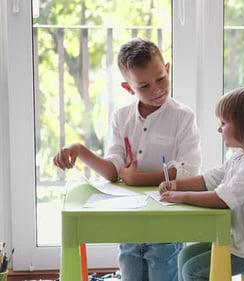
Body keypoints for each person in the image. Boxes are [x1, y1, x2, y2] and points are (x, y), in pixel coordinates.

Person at [53, 37, 201, 281]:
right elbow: (113, 170)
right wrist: (79, 150)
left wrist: (137, 179)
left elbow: (188, 172)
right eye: (144, 86)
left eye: (161, 79)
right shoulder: (121, 117)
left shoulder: (183, 117)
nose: (156, 89)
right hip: (129, 220)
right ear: (128, 88)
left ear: (167, 69)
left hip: (167, 223)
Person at [158, 87, 244, 281]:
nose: (219, 129)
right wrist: (177, 185)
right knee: (185, 256)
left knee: (194, 270)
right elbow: (209, 179)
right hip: (243, 244)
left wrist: (181, 197)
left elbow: (221, 199)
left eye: (224, 123)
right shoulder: (240, 157)